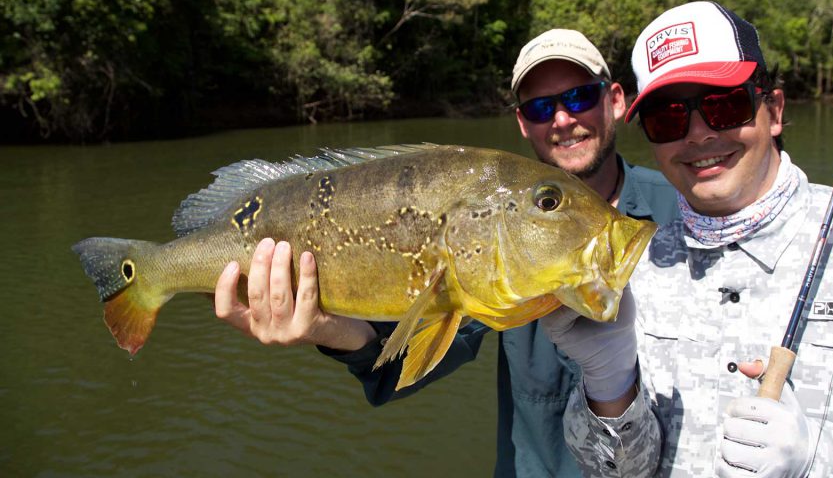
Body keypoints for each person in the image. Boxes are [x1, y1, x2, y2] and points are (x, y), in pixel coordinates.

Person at [545, 1, 833, 477]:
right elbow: (615, 472)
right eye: (668, 118)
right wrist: (609, 384)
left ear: (772, 110)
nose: (697, 134)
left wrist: (824, 457)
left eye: (723, 104)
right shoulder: (629, 267)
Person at [211, 29, 680, 476]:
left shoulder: (682, 208)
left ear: (615, 100)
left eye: (578, 96)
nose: (562, 119)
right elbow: (397, 363)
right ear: (522, 122)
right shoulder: (497, 238)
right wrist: (322, 327)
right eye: (540, 107)